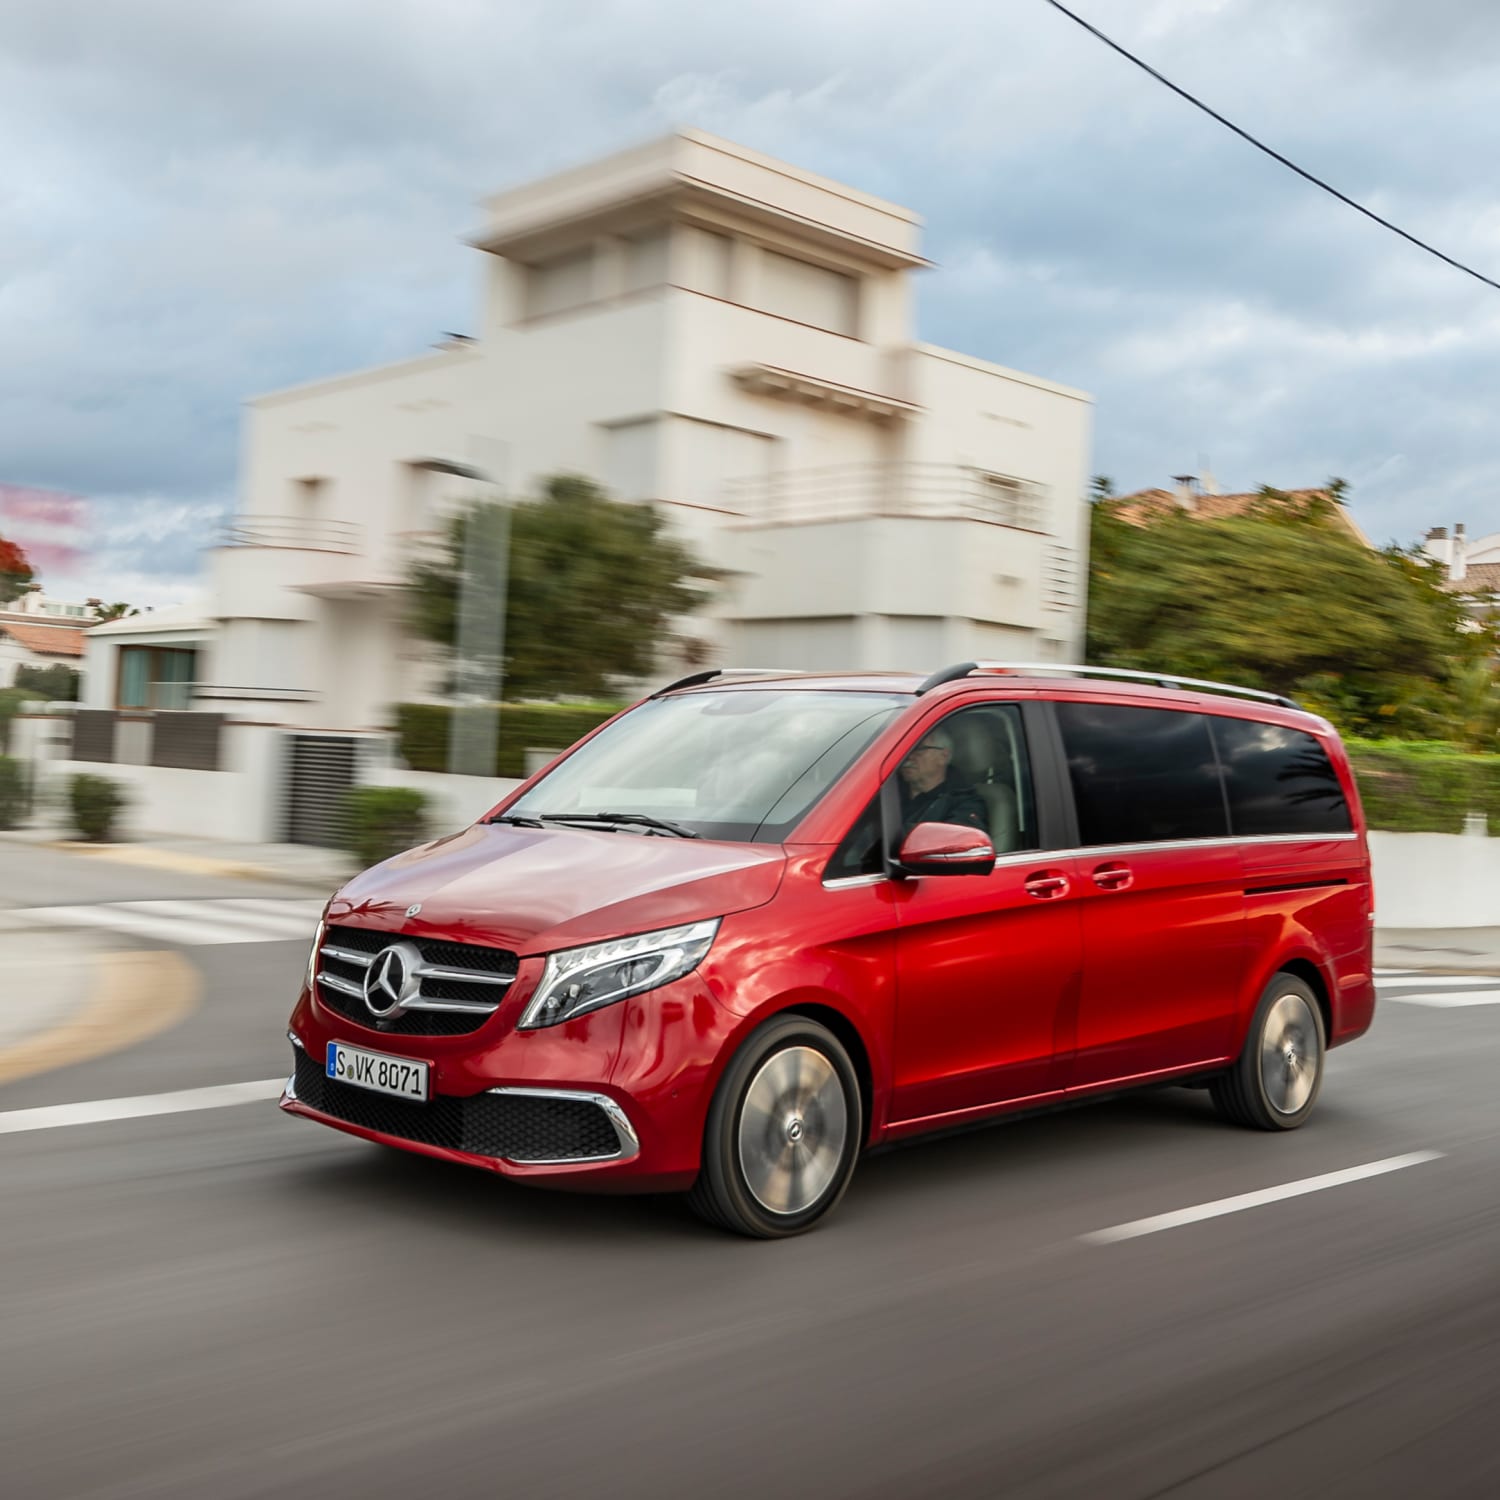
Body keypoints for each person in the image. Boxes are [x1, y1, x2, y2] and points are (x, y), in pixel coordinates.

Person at [898, 725, 988, 834]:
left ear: (943, 756)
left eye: (919, 749)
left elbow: (955, 843)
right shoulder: (886, 791)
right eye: (905, 749)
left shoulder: (964, 804)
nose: (908, 756)